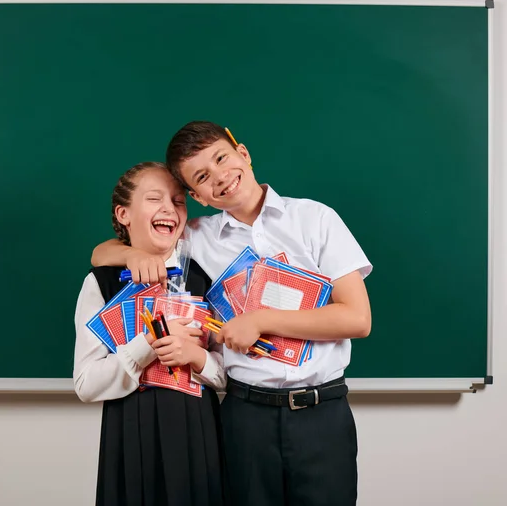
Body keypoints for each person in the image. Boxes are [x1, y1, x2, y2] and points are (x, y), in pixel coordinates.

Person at [91, 122, 373, 506]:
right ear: (197, 196)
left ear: (244, 152)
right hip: (244, 416)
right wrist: (132, 255)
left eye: (221, 158)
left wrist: (261, 320)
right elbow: (102, 253)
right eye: (203, 177)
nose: (220, 177)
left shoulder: (315, 219)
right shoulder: (194, 236)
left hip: (321, 413)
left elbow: (357, 319)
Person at [74, 161, 226, 506]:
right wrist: (147, 345)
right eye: (154, 198)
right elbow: (85, 383)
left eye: (178, 201)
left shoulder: (207, 279)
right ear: (123, 214)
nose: (169, 209)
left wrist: (199, 358)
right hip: (130, 438)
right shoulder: (101, 283)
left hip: (199, 436)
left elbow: (231, 375)